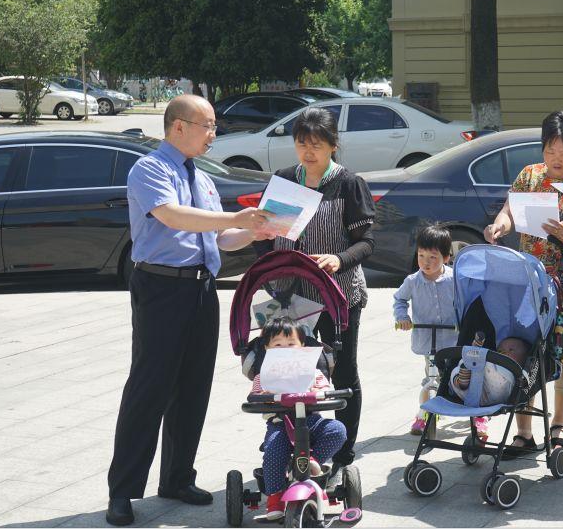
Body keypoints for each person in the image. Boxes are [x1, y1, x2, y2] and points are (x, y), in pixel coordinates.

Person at [105, 95, 270, 526]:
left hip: (201, 288)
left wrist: (254, 230)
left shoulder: (203, 178)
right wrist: (235, 218)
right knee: (149, 387)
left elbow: (220, 239)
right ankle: (122, 492)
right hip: (161, 287)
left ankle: (178, 477)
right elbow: (174, 217)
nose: (213, 133)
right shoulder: (150, 169)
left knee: (193, 387)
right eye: (207, 125)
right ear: (178, 126)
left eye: (214, 125)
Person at [254, 106, 375, 475]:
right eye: (302, 143)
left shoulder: (348, 184)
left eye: (317, 145)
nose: (309, 152)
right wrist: (269, 269)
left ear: (333, 146)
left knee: (341, 371)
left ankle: (340, 451)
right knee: (285, 369)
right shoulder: (285, 180)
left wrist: (339, 259)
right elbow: (264, 236)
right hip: (289, 296)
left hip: (338, 294)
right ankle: (288, 446)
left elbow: (367, 242)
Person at [484, 110, 563, 455]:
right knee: (524, 349)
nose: (557, 160)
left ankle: (559, 425)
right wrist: (499, 226)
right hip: (529, 281)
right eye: (551, 151)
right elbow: (508, 210)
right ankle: (524, 431)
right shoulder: (529, 175)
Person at [250, 317, 348, 522]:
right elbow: (255, 395)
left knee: (337, 430)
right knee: (274, 449)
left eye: (291, 344)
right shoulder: (264, 375)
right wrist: (266, 395)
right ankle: (275, 496)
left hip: (311, 420)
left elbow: (326, 390)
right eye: (277, 345)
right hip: (281, 423)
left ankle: (310, 461)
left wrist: (317, 390)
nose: (285, 349)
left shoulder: (312, 372)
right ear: (267, 349)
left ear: (302, 346)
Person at [393, 225, 475, 436]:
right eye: (421, 256)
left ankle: (477, 416)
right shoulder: (412, 281)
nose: (425, 262)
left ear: (446, 258)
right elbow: (399, 299)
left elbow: (468, 301)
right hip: (428, 339)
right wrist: (403, 317)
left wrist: (465, 321)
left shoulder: (455, 279)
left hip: (453, 339)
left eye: (432, 257)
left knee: (462, 378)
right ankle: (425, 414)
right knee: (430, 379)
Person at [449, 336, 531, 407]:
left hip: (498, 391)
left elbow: (525, 380)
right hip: (471, 394)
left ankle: (476, 352)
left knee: (490, 365)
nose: (504, 352)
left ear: (523, 360)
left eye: (511, 349)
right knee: (457, 369)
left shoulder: (518, 371)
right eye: (499, 350)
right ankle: (462, 381)